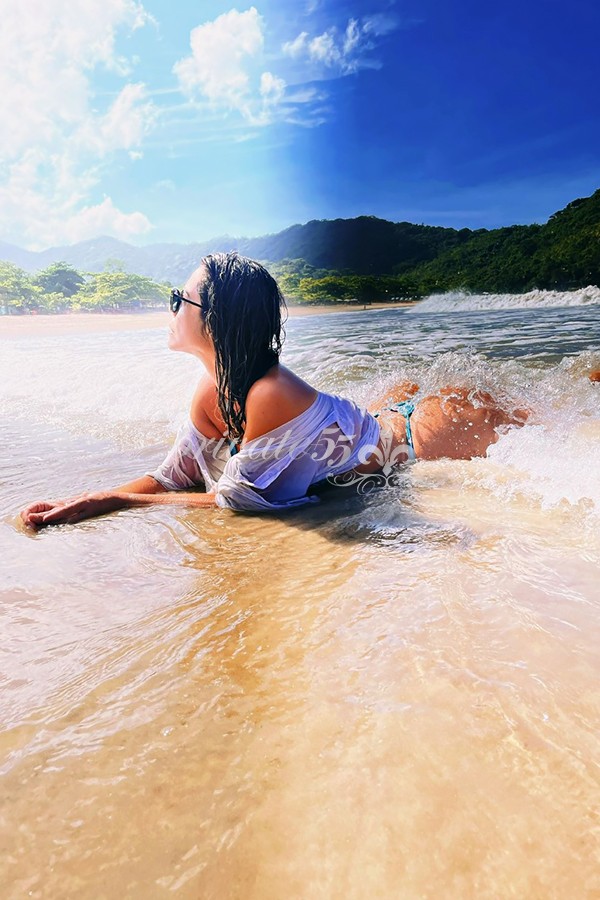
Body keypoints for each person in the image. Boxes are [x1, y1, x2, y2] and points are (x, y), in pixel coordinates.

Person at [21, 252, 529, 529]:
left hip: (419, 436)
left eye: (180, 298)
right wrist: (82, 499)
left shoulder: (268, 392)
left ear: (216, 323)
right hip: (372, 425)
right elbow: (173, 479)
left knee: (540, 422)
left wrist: (114, 502)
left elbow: (236, 503)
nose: (171, 306)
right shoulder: (210, 389)